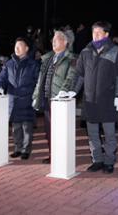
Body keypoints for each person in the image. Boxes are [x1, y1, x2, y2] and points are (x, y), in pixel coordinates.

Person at [74, 21, 118, 174]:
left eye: (99, 32)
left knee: (109, 134)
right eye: (93, 32)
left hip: (108, 100)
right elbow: (79, 75)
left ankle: (109, 161)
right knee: (92, 134)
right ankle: (97, 160)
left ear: (106, 34)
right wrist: (73, 91)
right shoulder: (86, 51)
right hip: (90, 100)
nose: (96, 35)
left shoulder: (116, 51)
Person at [32, 31, 77, 164]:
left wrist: (63, 92)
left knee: (61, 130)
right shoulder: (48, 59)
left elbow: (71, 77)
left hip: (60, 101)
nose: (53, 42)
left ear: (65, 42)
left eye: (56, 40)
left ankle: (62, 157)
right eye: (52, 40)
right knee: (49, 129)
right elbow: (40, 80)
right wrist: (36, 96)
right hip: (47, 99)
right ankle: (54, 155)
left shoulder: (72, 59)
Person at [0, 37, 39, 160]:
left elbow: (37, 82)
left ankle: (26, 150)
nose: (17, 48)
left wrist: (35, 96)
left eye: (20, 46)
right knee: (15, 127)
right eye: (15, 46)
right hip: (13, 100)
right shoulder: (9, 64)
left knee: (26, 127)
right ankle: (17, 149)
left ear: (26, 48)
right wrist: (0, 88)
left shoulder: (33, 64)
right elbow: (2, 78)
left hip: (27, 99)